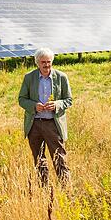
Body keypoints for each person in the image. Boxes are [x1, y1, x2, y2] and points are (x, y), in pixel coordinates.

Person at [18, 48, 73, 186]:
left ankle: (66, 188)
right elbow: (22, 99)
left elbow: (69, 100)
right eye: (43, 62)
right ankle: (44, 188)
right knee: (39, 159)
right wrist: (34, 106)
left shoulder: (61, 77)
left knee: (59, 157)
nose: (46, 65)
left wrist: (57, 104)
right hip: (34, 124)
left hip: (53, 124)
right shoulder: (29, 78)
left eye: (49, 62)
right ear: (37, 63)